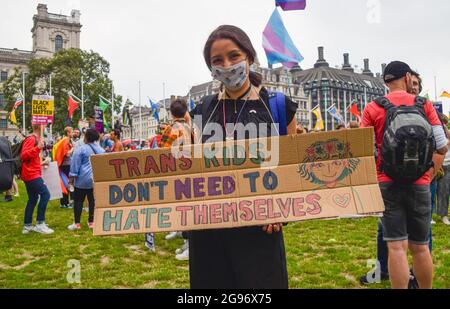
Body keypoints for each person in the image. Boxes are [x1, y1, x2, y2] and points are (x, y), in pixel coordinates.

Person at [188, 25, 297, 289]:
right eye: (217, 60)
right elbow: (194, 170)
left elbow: (292, 167)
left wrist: (279, 210)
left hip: (260, 230)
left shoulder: (278, 106)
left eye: (234, 56)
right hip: (209, 234)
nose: (227, 65)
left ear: (249, 56)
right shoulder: (202, 110)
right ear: (211, 68)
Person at [361, 61, 448, 289]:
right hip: (420, 183)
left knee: (396, 247)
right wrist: (428, 173)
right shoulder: (424, 104)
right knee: (420, 247)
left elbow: (362, 151)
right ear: (408, 78)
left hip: (387, 183)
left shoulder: (372, 107)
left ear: (386, 81)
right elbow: (442, 145)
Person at [159, 99, 194, 261]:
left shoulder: (171, 129)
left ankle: (189, 246)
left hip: (175, 172)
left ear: (171, 113)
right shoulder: (191, 128)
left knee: (180, 207)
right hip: (190, 171)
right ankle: (188, 242)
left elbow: (162, 153)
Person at [67, 128, 104, 230]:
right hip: (95, 179)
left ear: (86, 137)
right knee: (92, 201)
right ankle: (91, 222)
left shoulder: (80, 149)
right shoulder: (101, 150)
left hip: (82, 180)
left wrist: (70, 180)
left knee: (78, 201)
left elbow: (75, 166)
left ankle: (77, 223)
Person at [21, 124, 53, 235]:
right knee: (46, 195)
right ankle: (40, 223)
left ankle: (28, 225)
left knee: (33, 199)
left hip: (32, 173)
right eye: (44, 125)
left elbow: (32, 159)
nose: (46, 128)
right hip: (31, 174)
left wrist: (43, 162)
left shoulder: (36, 139)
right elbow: (24, 156)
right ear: (40, 127)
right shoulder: (31, 139)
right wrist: (37, 148)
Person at [436, 113, 450, 225]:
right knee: (442, 192)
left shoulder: (447, 133)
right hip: (442, 166)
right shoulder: (436, 134)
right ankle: (443, 215)